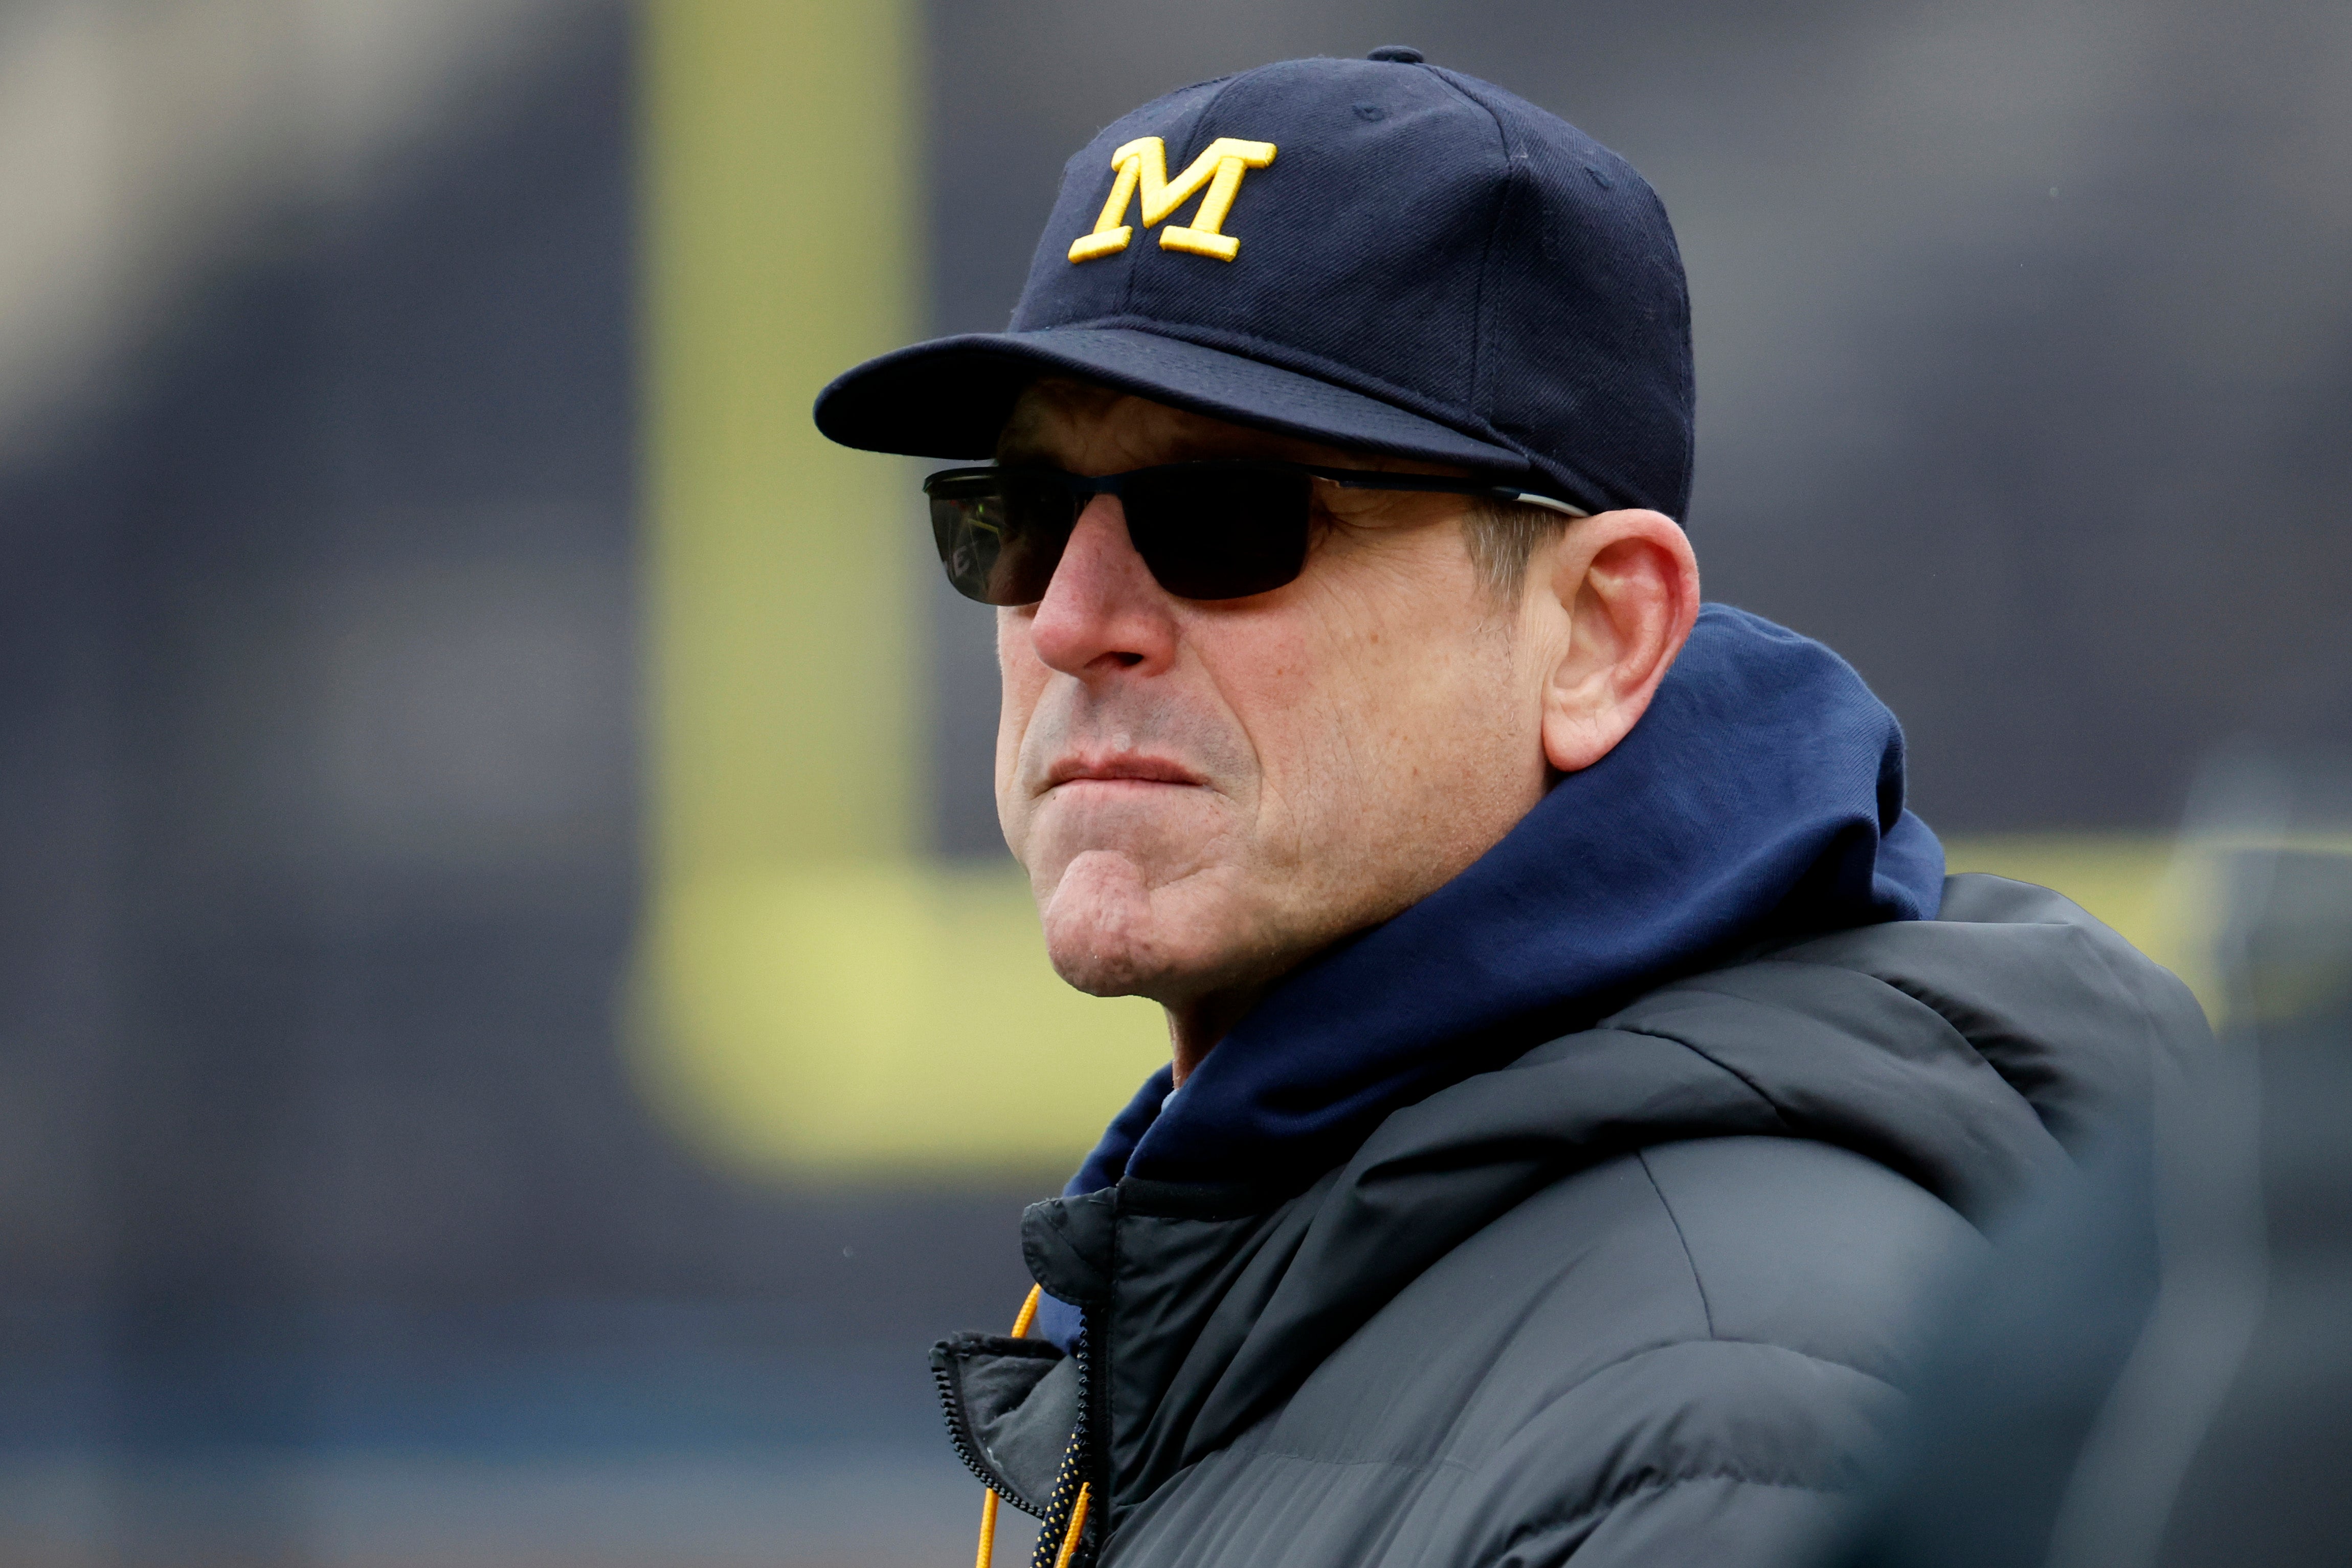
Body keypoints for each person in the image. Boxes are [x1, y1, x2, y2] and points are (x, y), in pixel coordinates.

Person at [812, 48, 2211, 1568]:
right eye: (1013, 515)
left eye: (1225, 514)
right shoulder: (1295, 1258)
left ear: (1603, 633)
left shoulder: (1711, 1427)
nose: (1075, 616)